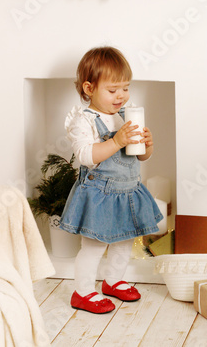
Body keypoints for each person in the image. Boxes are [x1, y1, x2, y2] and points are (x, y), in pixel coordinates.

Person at [59, 46, 163, 314]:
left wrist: (147, 146)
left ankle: (113, 280)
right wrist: (117, 140)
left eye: (125, 88)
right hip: (100, 194)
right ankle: (82, 292)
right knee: (93, 247)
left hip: (127, 191)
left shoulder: (123, 117)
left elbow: (138, 158)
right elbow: (86, 155)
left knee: (123, 241)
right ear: (89, 88)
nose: (121, 96)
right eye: (113, 89)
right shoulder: (85, 121)